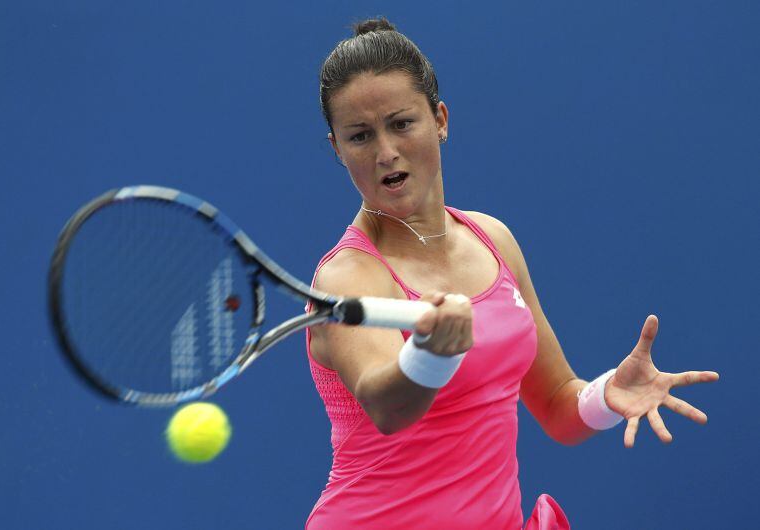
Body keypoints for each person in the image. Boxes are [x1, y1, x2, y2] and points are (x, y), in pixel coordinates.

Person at [304, 18, 719, 530]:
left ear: (440, 119)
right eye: (360, 136)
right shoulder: (347, 278)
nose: (385, 151)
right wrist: (431, 355)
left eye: (401, 123)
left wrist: (607, 396)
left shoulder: (491, 240)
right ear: (337, 149)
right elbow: (388, 408)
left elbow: (555, 403)